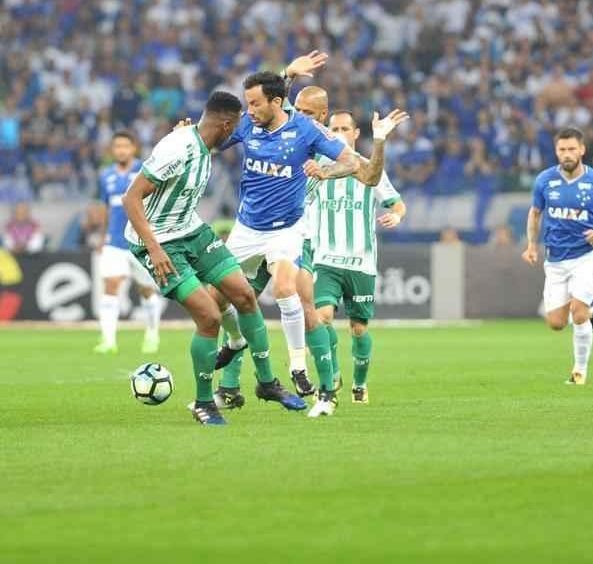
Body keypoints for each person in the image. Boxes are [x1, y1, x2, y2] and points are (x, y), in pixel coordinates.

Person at [214, 53, 396, 398]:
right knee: (243, 301)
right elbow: (271, 104)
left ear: (322, 117)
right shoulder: (282, 123)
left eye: (307, 112)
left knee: (308, 307)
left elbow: (370, 175)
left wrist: (372, 146)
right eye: (294, 106)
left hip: (299, 235)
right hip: (258, 229)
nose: (297, 115)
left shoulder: (323, 141)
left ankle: (323, 383)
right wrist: (288, 73)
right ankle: (229, 386)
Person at [122, 90, 305, 426]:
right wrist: (154, 249)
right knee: (208, 316)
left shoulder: (204, 142)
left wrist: (287, 80)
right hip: (159, 242)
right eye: (235, 126)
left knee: (245, 295)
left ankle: (266, 383)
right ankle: (205, 402)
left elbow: (268, 108)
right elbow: (131, 198)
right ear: (225, 125)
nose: (237, 132)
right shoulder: (177, 148)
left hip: (191, 230)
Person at [305, 110, 407, 415]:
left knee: (358, 328)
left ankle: (360, 384)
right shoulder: (316, 166)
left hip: (361, 263)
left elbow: (397, 202)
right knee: (321, 317)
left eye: (344, 128)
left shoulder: (369, 168)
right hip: (326, 261)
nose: (337, 132)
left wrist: (397, 215)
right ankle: (332, 373)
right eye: (333, 128)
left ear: (355, 134)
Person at [522, 128, 593, 385]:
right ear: (556, 152)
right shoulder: (545, 181)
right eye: (562, 150)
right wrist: (531, 245)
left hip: (586, 256)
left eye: (571, 149)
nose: (567, 154)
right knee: (556, 323)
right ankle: (591, 313)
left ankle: (579, 372)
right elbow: (535, 213)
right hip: (556, 259)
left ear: (582, 150)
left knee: (578, 313)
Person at [90, 132, 164, 355]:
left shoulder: (146, 170)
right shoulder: (106, 176)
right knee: (110, 285)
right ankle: (108, 340)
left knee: (146, 290)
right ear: (113, 150)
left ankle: (152, 333)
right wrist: (102, 237)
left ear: (134, 148)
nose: (121, 150)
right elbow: (105, 207)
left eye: (125, 146)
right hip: (114, 241)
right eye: (117, 146)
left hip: (140, 241)